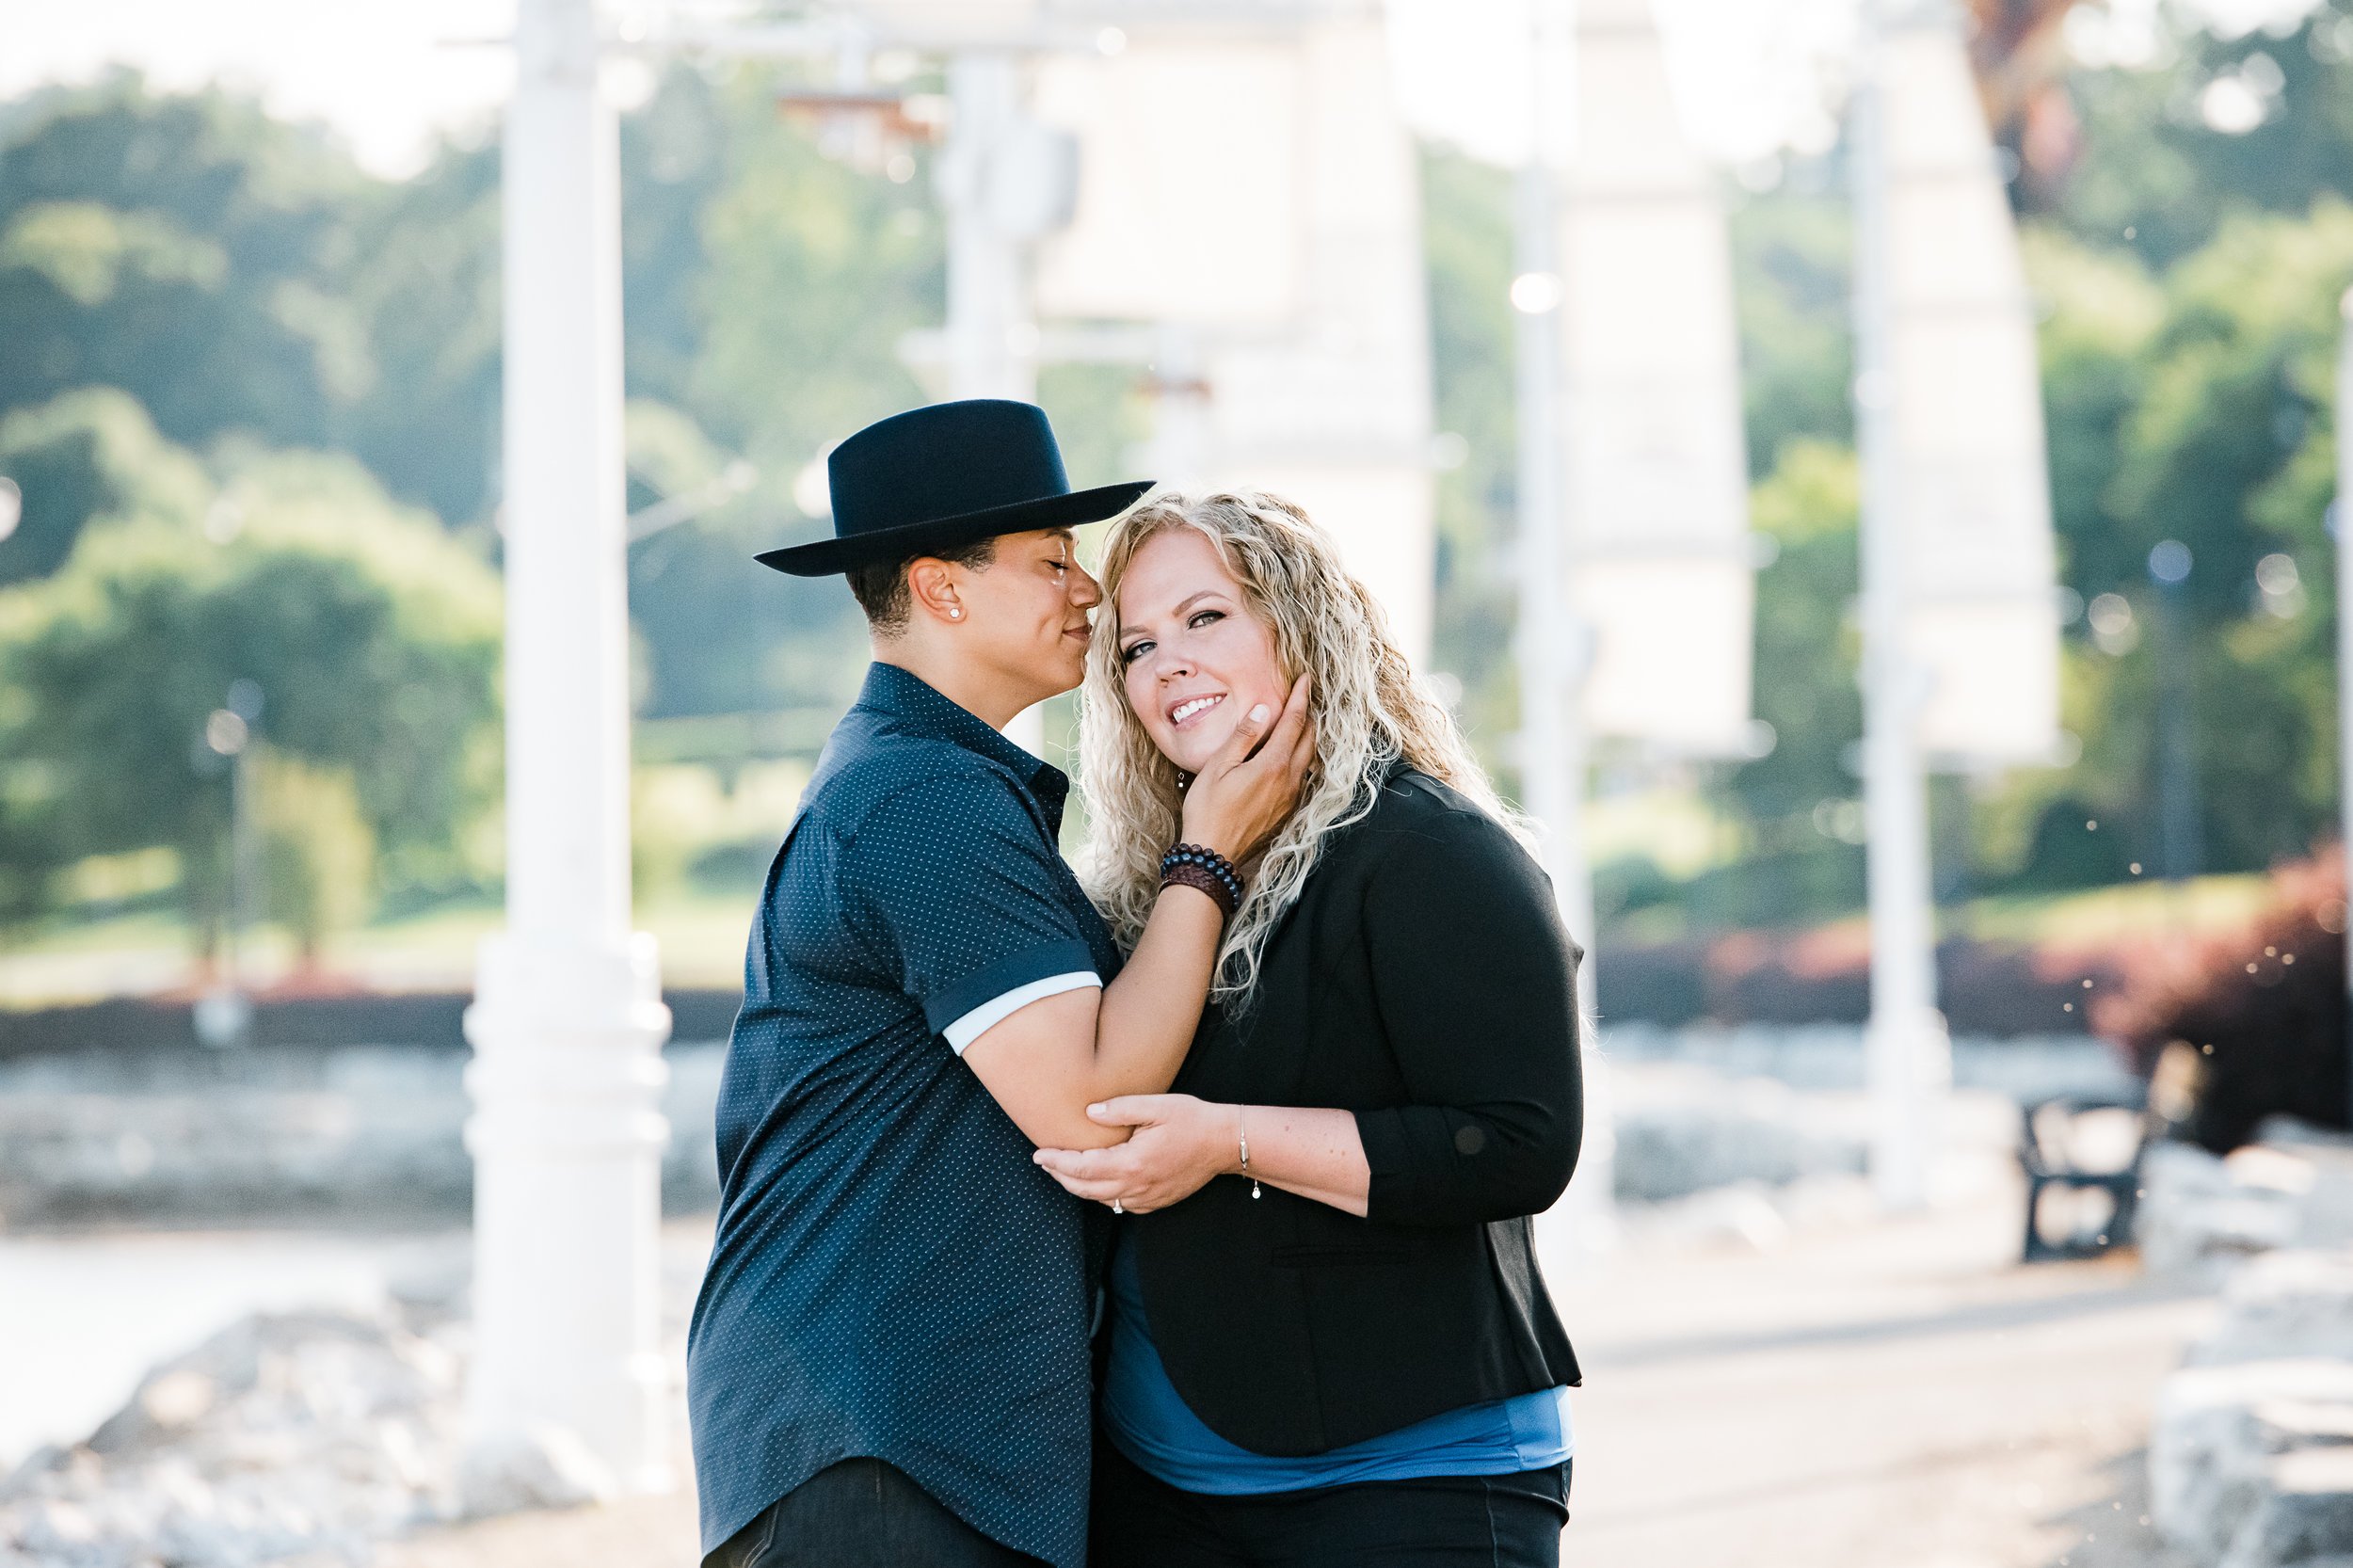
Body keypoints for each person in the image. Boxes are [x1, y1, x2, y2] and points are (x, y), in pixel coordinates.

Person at [686, 405, 1311, 1568]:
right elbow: (1084, 1111)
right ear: (941, 589)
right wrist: (1209, 855)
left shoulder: (910, 774)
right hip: (883, 1439)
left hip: (889, 1437)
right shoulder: (926, 797)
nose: (1088, 591)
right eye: (1048, 561)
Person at [1036, 490, 1586, 1568]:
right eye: (1138, 644)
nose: (1167, 664)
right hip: (1156, 1485)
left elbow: (1519, 1142)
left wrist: (1225, 1138)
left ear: (1300, 621)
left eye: (1206, 618)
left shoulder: (1435, 851)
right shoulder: (1150, 879)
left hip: (1411, 1480)